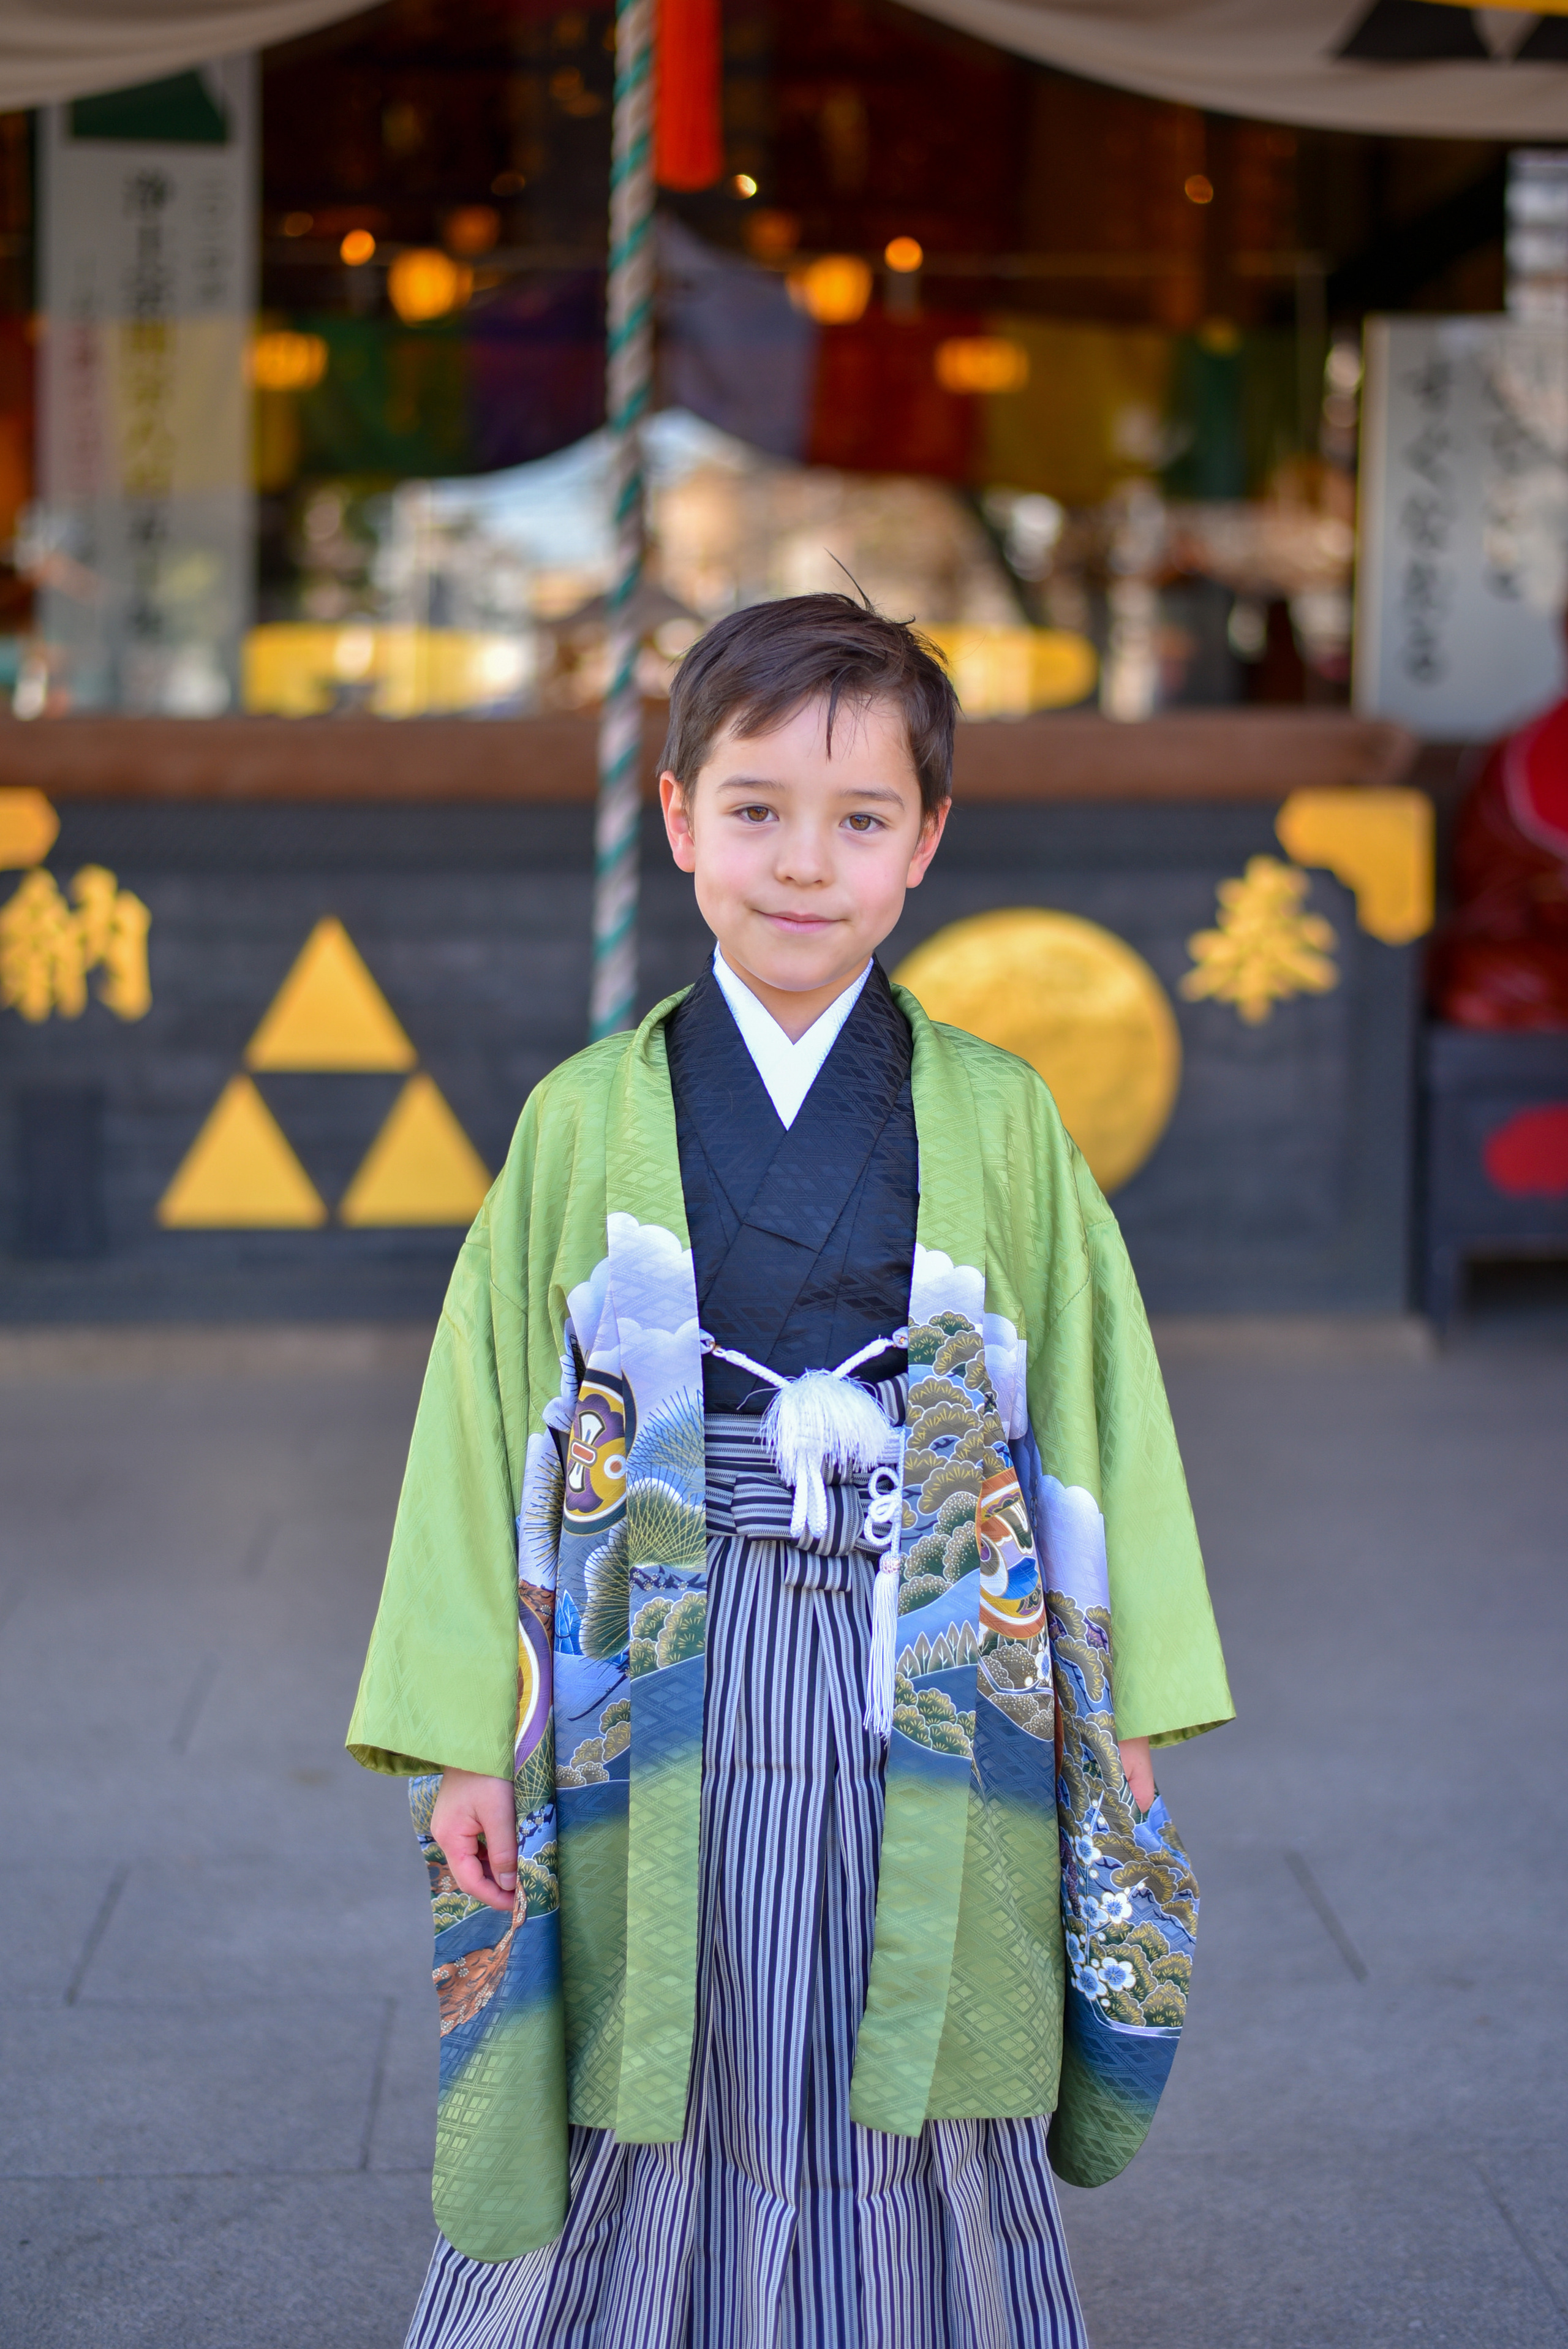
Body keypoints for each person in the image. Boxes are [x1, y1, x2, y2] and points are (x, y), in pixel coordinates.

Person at [347, 592, 1234, 2348]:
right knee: (656, 2010)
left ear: (929, 843)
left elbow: (1103, 1405)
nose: (803, 863)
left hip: (936, 1654)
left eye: (862, 818)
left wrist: (1122, 1686)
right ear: (676, 821)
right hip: (649, 1658)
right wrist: (465, 1720)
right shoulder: (582, 1115)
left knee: (898, 2012)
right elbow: (478, 1419)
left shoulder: (997, 1113)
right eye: (754, 810)